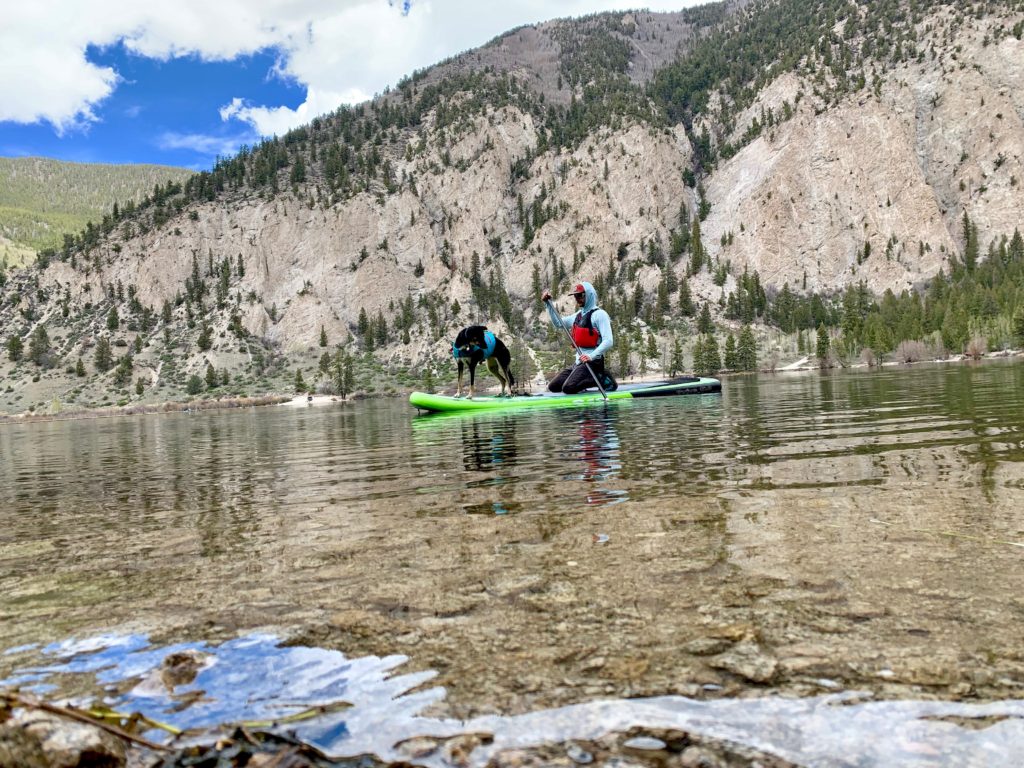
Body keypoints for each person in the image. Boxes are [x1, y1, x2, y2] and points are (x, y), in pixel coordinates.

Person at [541, 281, 617, 394]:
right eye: (576, 296)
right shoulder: (578, 315)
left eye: (580, 295)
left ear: (589, 295)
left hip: (594, 362)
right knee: (554, 386)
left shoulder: (600, 315)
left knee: (568, 388)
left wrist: (591, 356)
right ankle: (582, 382)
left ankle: (602, 377)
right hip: (579, 363)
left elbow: (609, 341)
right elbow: (558, 323)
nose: (577, 298)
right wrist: (548, 304)